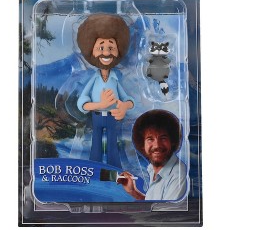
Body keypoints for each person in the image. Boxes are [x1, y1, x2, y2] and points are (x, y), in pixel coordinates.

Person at [76, 14, 134, 168]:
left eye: (111, 47)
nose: (107, 53)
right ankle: (94, 170)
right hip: (96, 118)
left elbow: (129, 99)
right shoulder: (94, 79)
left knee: (112, 146)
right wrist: (100, 105)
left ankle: (114, 170)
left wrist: (124, 106)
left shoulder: (115, 80)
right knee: (95, 145)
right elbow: (82, 102)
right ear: (91, 50)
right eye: (101, 47)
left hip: (112, 118)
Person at [118, 109, 187, 201]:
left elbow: (166, 209)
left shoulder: (177, 175)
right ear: (142, 144)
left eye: (163, 138)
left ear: (173, 141)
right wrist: (133, 192)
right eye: (150, 139)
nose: (157, 145)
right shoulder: (152, 169)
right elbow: (156, 203)